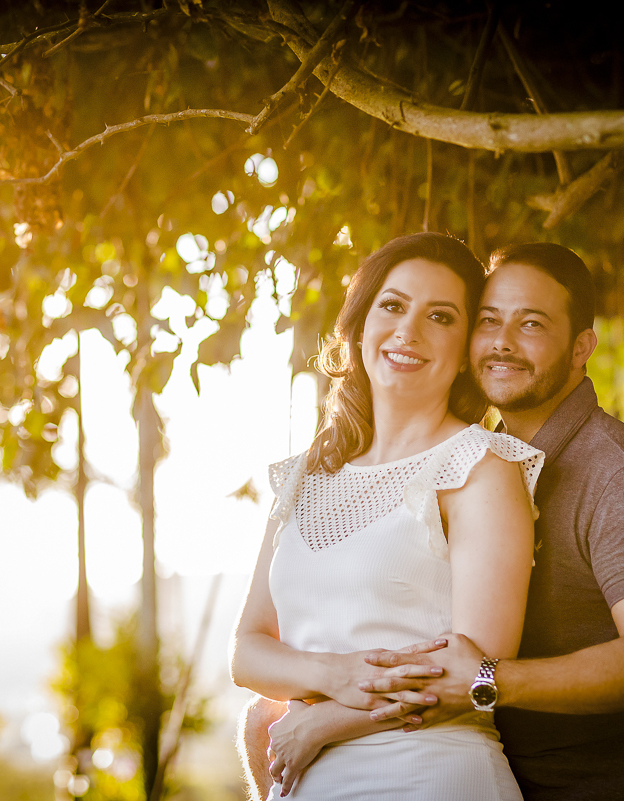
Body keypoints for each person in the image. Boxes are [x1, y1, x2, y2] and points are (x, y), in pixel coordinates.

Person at [356, 242, 624, 800]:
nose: (502, 342)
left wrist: (487, 680)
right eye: (489, 320)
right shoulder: (474, 461)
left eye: (531, 324)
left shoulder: (619, 475)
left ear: (580, 347)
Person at [229, 232, 546, 800]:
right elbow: (248, 651)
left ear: (465, 350)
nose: (408, 331)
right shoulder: (304, 475)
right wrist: (333, 675)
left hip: (431, 775)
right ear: (359, 326)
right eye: (393, 306)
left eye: (440, 316)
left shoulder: (481, 467)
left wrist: (325, 722)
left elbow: (478, 669)